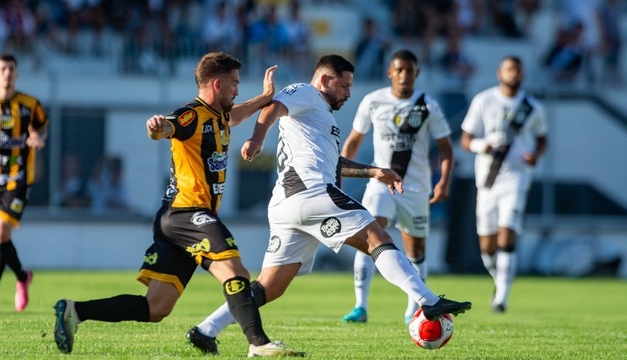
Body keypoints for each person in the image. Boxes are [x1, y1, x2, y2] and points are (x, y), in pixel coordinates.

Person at [185, 54, 471, 355]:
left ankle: (206, 330)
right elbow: (273, 108)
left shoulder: (320, 116)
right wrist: (257, 139)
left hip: (290, 203)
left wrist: (375, 171)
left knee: (270, 286)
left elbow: (334, 163)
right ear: (324, 80)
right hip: (310, 192)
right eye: (344, 86)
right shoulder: (306, 92)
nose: (348, 93)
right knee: (377, 237)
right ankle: (428, 301)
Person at [52, 52, 303, 358]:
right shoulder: (192, 115)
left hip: (173, 219)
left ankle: (75, 312)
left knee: (156, 307)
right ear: (216, 83)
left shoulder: (219, 115)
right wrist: (155, 127)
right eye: (234, 83)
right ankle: (258, 343)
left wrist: (264, 98)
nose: (237, 90)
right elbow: (166, 128)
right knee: (235, 270)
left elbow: (234, 115)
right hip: (189, 213)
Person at [340, 49, 454, 325]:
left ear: (417, 73)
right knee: (369, 234)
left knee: (415, 250)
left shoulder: (428, 106)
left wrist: (443, 182)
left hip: (416, 187)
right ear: (390, 72)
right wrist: (340, 175)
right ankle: (360, 306)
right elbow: (354, 140)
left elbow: (446, 149)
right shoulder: (374, 101)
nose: (404, 75)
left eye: (409, 70)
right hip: (382, 183)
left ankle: (412, 309)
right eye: (399, 70)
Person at [459, 56, 548, 313]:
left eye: (517, 70)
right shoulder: (484, 100)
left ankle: (502, 299)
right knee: (487, 246)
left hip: (516, 177)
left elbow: (542, 140)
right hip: (488, 178)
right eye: (509, 69)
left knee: (507, 234)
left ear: (522, 75)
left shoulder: (533, 107)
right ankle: (499, 280)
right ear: (500, 73)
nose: (513, 74)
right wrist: (482, 145)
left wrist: (535, 156)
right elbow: (466, 139)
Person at [0, 54, 48, 315]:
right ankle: (22, 277)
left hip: (18, 179)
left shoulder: (30, 105)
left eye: (12, 68)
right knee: (0, 241)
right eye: (3, 69)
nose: (7, 73)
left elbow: (42, 127)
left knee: (1, 234)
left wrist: (37, 137)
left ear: (17, 73)